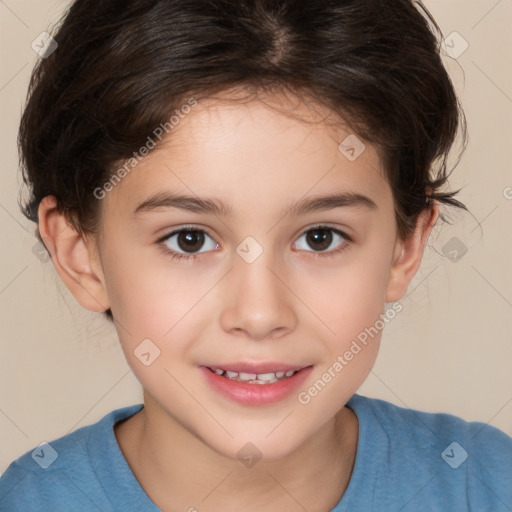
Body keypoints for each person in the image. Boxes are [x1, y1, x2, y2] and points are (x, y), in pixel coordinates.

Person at [1, 0, 511, 510]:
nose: (260, 314)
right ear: (80, 255)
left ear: (405, 248)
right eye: (189, 240)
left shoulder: (485, 485)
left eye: (320, 237)